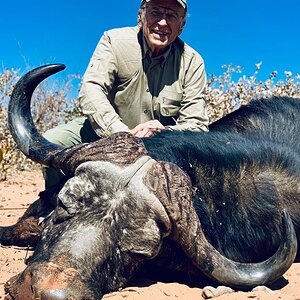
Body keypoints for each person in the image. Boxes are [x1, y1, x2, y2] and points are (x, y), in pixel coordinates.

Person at [44, 0, 209, 189]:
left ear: (181, 26)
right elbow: (91, 90)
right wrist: (121, 135)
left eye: (171, 16)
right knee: (53, 141)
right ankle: (54, 205)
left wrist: (164, 133)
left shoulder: (192, 62)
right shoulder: (114, 40)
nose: (163, 22)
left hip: (157, 146)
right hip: (105, 133)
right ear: (141, 16)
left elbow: (197, 126)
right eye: (156, 13)